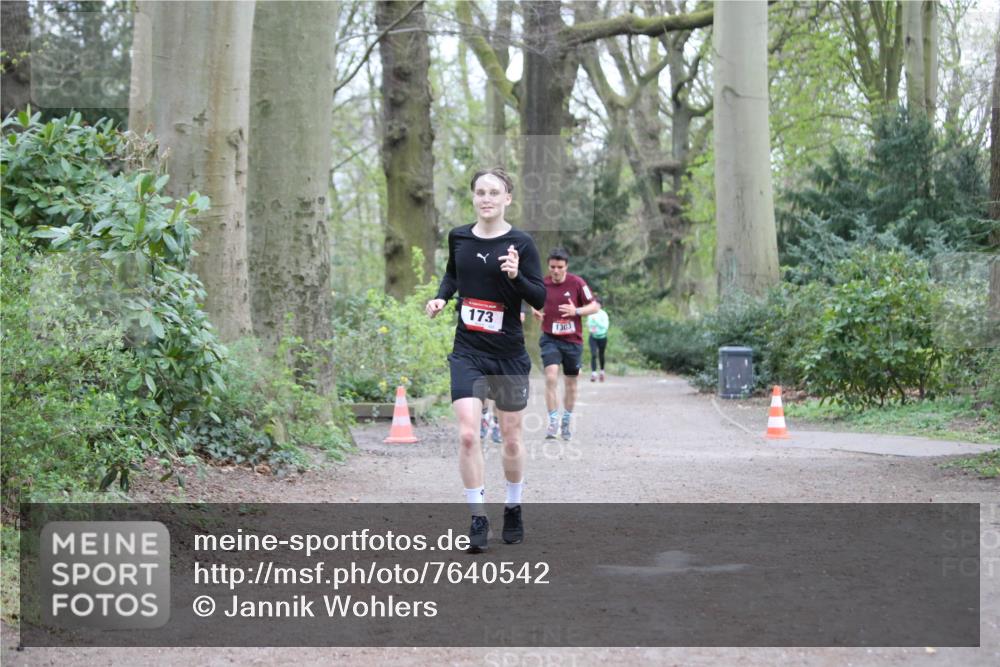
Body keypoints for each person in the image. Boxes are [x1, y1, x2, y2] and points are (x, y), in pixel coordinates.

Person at [426, 167, 546, 553]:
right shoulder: (458, 236)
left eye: (494, 192)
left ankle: (513, 505)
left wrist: (515, 275)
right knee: (466, 433)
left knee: (511, 438)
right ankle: (478, 516)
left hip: (508, 353)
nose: (487, 198)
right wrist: (442, 297)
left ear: (507, 198)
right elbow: (452, 275)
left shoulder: (521, 244)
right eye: (480, 191)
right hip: (468, 350)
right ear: (474, 197)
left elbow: (539, 298)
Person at [531, 248, 600, 440]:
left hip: (572, 341)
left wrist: (576, 311)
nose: (556, 271)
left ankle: (566, 420)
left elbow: (594, 306)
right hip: (550, 338)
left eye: (560, 267)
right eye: (552, 267)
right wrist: (535, 310)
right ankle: (553, 422)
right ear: (549, 266)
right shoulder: (543, 283)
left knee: (571, 383)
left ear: (566, 267)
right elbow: (533, 301)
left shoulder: (577, 283)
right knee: (551, 377)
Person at [588, 296, 609, 382]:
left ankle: (602, 372)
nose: (594, 305)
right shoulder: (590, 314)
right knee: (593, 354)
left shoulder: (603, 314)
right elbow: (589, 324)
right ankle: (593, 374)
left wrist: (596, 322)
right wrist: (591, 328)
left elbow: (605, 326)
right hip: (593, 337)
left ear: (600, 305)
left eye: (596, 304)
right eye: (593, 304)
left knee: (601, 354)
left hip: (602, 337)